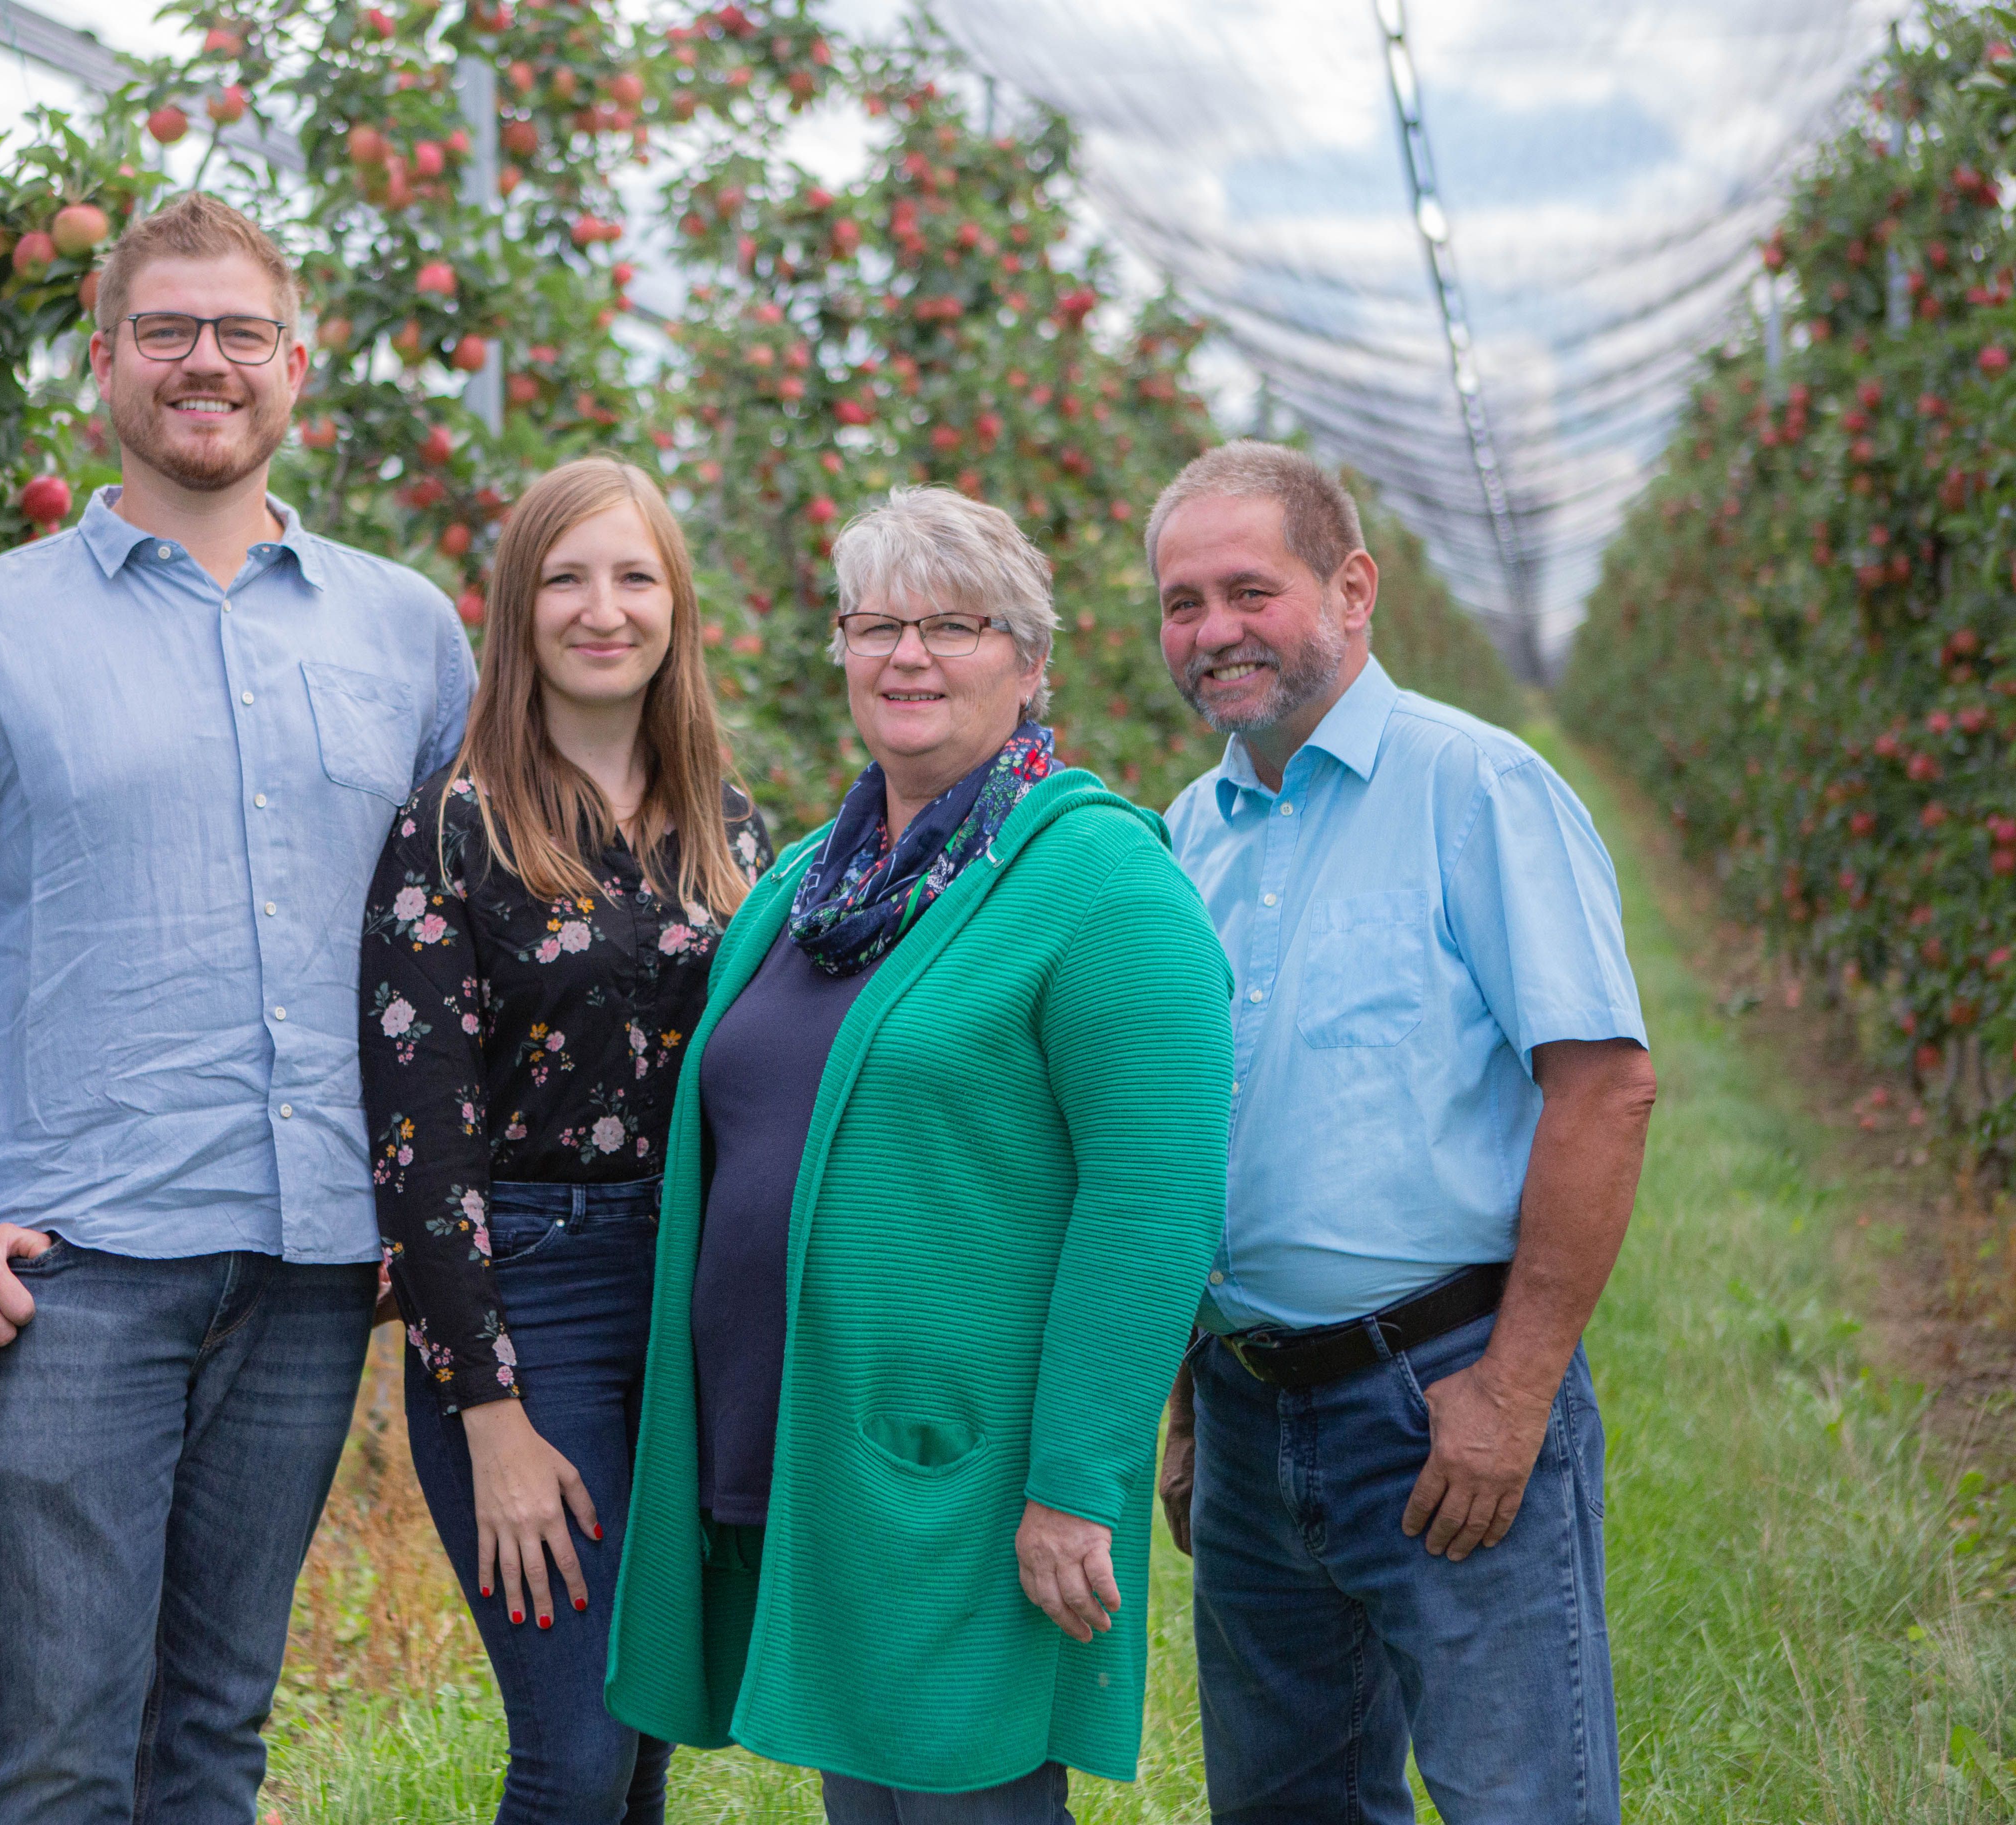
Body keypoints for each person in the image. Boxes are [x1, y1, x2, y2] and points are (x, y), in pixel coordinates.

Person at [0, 193, 476, 1825]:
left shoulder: (407, 631)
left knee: (214, 1743)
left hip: (324, 1269)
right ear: (103, 361)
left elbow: (458, 950)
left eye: (241, 332)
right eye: (168, 331)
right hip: (75, 1275)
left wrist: (438, 1206)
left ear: (298, 364)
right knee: (55, 1755)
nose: (207, 363)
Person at [603, 486, 1234, 1823]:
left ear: (1033, 662)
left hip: (972, 1468)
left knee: (969, 1800)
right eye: (877, 623)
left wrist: (1078, 1483)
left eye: (956, 625)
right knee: (873, 1803)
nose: (908, 656)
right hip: (828, 1447)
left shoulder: (1103, 884)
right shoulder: (806, 888)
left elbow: (1153, 1202)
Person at [1149, 441, 1657, 1825]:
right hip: (1254, 1418)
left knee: (1516, 1798)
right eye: (1182, 604)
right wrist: (1192, 1400)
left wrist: (1514, 1392)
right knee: (1285, 1806)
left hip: (1440, 1392)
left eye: (1250, 590)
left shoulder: (1476, 791)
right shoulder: (1189, 837)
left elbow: (1605, 1087)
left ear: (1353, 585)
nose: (1214, 633)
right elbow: (1200, 1137)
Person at [360, 456, 770, 1825]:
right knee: (576, 1755)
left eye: (636, 576)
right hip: (533, 1296)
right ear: (519, 611)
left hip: (691, 1302)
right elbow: (420, 1143)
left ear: (678, 607)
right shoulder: (452, 831)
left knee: (646, 1737)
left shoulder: (735, 836)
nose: (605, 610)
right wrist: (491, 1412)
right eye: (567, 577)